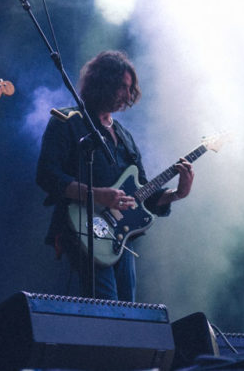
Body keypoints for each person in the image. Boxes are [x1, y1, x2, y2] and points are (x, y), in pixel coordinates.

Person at [35, 50, 194, 302]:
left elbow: (142, 196)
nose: (127, 95)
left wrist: (177, 193)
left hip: (119, 237)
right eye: (121, 87)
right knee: (107, 308)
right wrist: (98, 195)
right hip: (82, 227)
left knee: (127, 310)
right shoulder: (68, 122)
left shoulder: (124, 136)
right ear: (102, 83)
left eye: (130, 90)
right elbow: (46, 175)